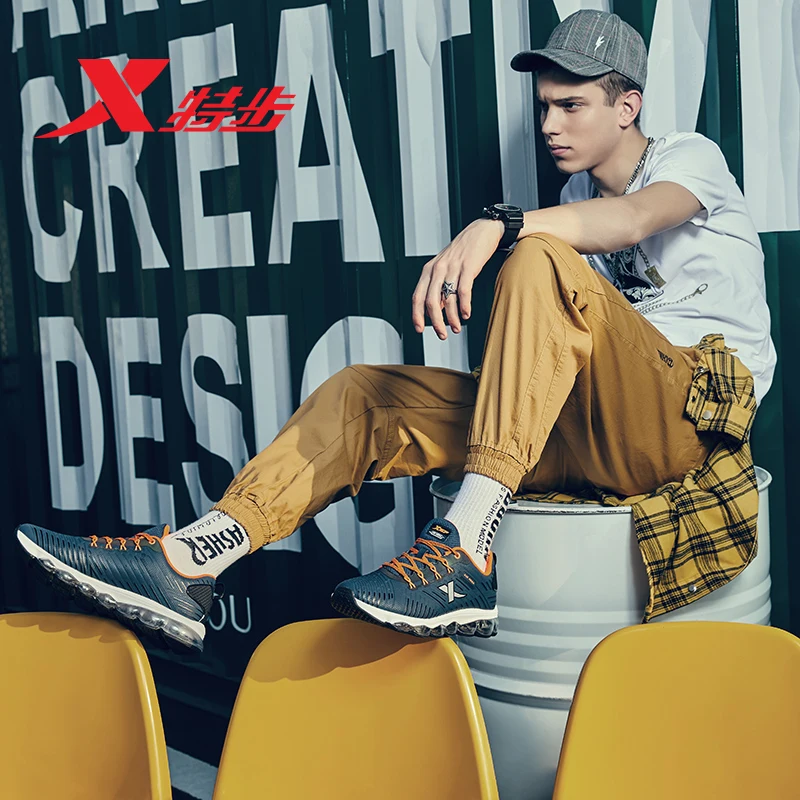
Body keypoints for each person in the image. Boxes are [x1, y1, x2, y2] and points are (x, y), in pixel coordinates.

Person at [16, 10, 775, 653]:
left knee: (539, 254)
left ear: (628, 106)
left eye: (571, 106)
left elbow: (633, 219)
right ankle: (192, 559)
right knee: (365, 395)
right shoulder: (573, 193)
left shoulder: (687, 158)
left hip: (687, 413)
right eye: (544, 106)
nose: (549, 124)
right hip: (588, 424)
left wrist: (499, 225)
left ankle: (464, 546)